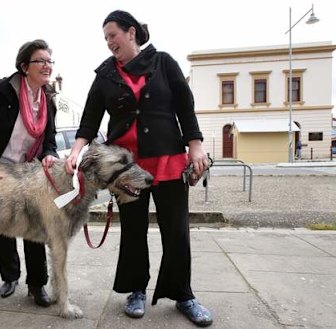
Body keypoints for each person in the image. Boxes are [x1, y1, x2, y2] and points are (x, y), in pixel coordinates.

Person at [64, 10, 213, 327]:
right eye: (105, 38)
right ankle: (136, 291)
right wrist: (77, 151)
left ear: (131, 32)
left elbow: (184, 105)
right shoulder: (105, 75)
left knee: (176, 231)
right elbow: (90, 118)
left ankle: (183, 294)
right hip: (126, 169)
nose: (109, 43)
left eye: (112, 35)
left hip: (168, 160)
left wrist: (195, 144)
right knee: (132, 231)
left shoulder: (163, 63)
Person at [0, 39, 58, 307]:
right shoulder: (1, 90)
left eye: (49, 61)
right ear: (24, 66)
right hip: (1, 168)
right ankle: (10, 276)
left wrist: (49, 153)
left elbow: (49, 138)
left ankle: (37, 283)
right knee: (3, 226)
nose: (47, 66)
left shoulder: (48, 100)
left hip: (29, 171)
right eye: (40, 61)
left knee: (35, 226)